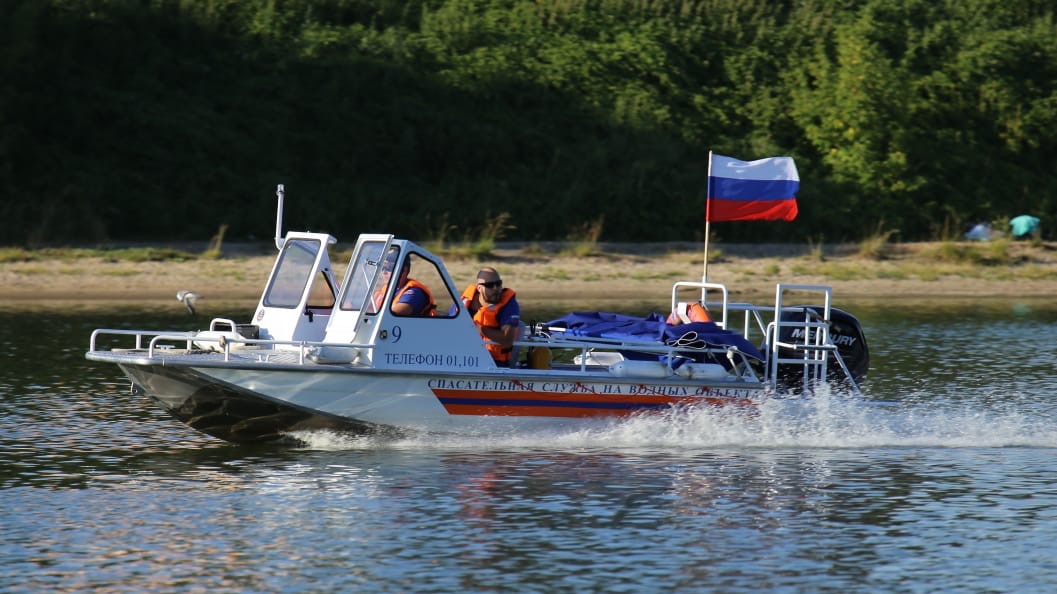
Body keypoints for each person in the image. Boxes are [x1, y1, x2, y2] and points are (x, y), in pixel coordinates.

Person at [461, 267, 521, 365]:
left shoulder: (509, 305)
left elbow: (507, 339)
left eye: (498, 284)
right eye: (489, 285)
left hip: (496, 363)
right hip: (465, 359)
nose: (495, 289)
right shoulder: (464, 302)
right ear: (479, 288)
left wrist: (479, 329)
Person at [374, 250, 436, 316]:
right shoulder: (386, 289)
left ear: (404, 271)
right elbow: (369, 308)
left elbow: (395, 312)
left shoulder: (415, 292)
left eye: (389, 268)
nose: (384, 272)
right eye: (382, 268)